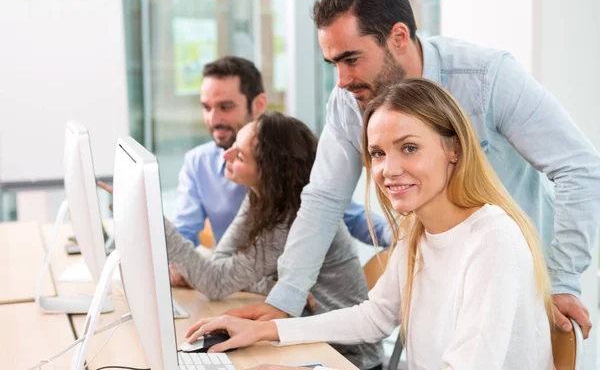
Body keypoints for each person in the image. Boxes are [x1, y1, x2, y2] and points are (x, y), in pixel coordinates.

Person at [229, 0, 600, 338]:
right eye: (333, 64)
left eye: (352, 59)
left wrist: (563, 280)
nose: (341, 80)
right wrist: (285, 302)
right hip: (439, 286)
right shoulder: (348, 100)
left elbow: (579, 168)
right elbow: (324, 199)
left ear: (399, 37)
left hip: (523, 285)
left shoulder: (485, 77)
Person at [184, 79, 555, 370]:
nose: (388, 170)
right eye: (378, 153)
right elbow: (375, 316)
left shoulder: (492, 240)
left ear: (453, 149)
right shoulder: (417, 232)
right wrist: (264, 330)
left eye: (409, 147)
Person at [165, 112, 383, 370]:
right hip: (304, 337)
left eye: (240, 155)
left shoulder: (290, 221)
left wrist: (160, 227)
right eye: (234, 145)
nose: (226, 155)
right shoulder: (260, 198)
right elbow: (222, 261)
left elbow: (215, 282)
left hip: (343, 357)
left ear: (269, 174)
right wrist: (268, 283)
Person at [172, 56, 390, 247]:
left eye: (225, 107)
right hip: (238, 290)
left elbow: (350, 216)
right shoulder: (197, 163)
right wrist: (175, 266)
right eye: (206, 107)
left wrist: (400, 239)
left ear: (258, 105)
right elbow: (183, 233)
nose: (213, 119)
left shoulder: (291, 155)